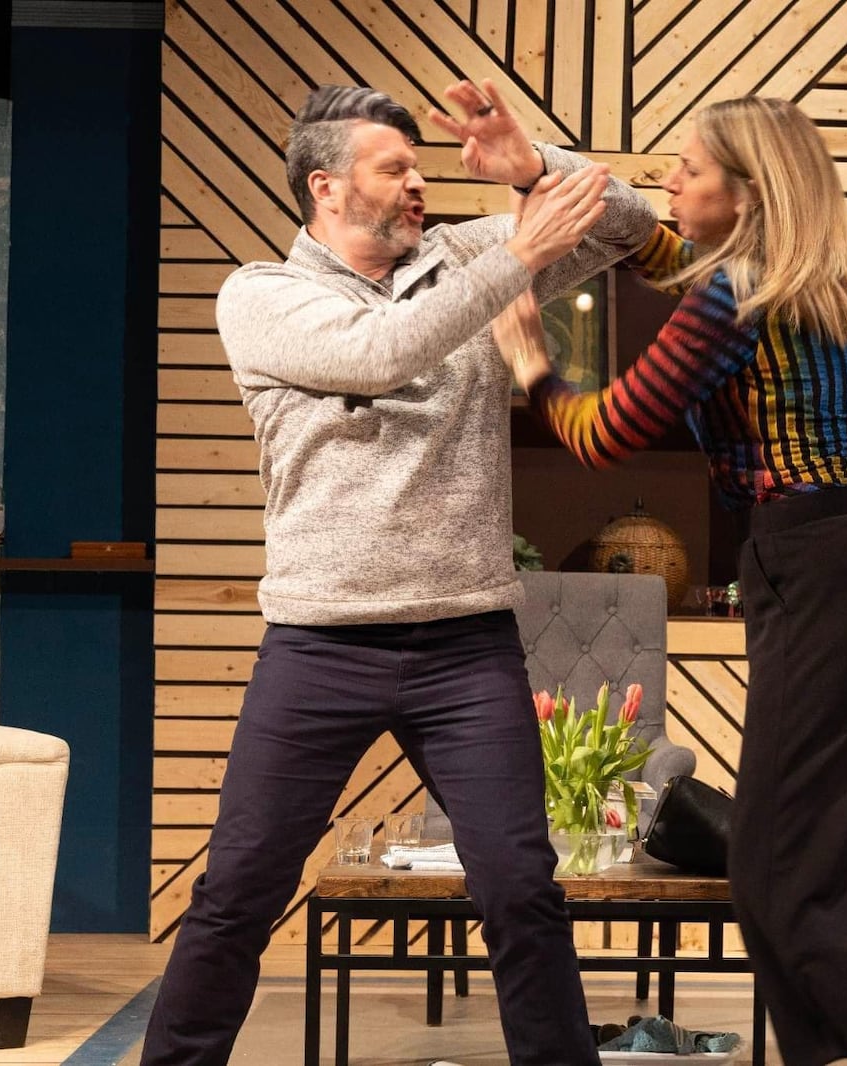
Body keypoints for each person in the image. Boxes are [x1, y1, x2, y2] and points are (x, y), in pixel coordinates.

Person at [493, 96, 847, 1066]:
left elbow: (604, 433)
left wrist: (534, 364)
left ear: (744, 194)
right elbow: (648, 237)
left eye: (690, 169)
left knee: (780, 867)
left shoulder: (731, 295)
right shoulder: (814, 278)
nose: (670, 180)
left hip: (818, 574)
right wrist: (533, 163)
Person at [139, 82, 658, 1066]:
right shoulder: (261, 296)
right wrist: (517, 255)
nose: (420, 181)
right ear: (326, 186)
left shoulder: (466, 256)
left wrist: (529, 163)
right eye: (397, 167)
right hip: (318, 647)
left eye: (424, 166)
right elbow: (380, 353)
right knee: (240, 888)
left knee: (519, 885)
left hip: (465, 647)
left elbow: (631, 224)